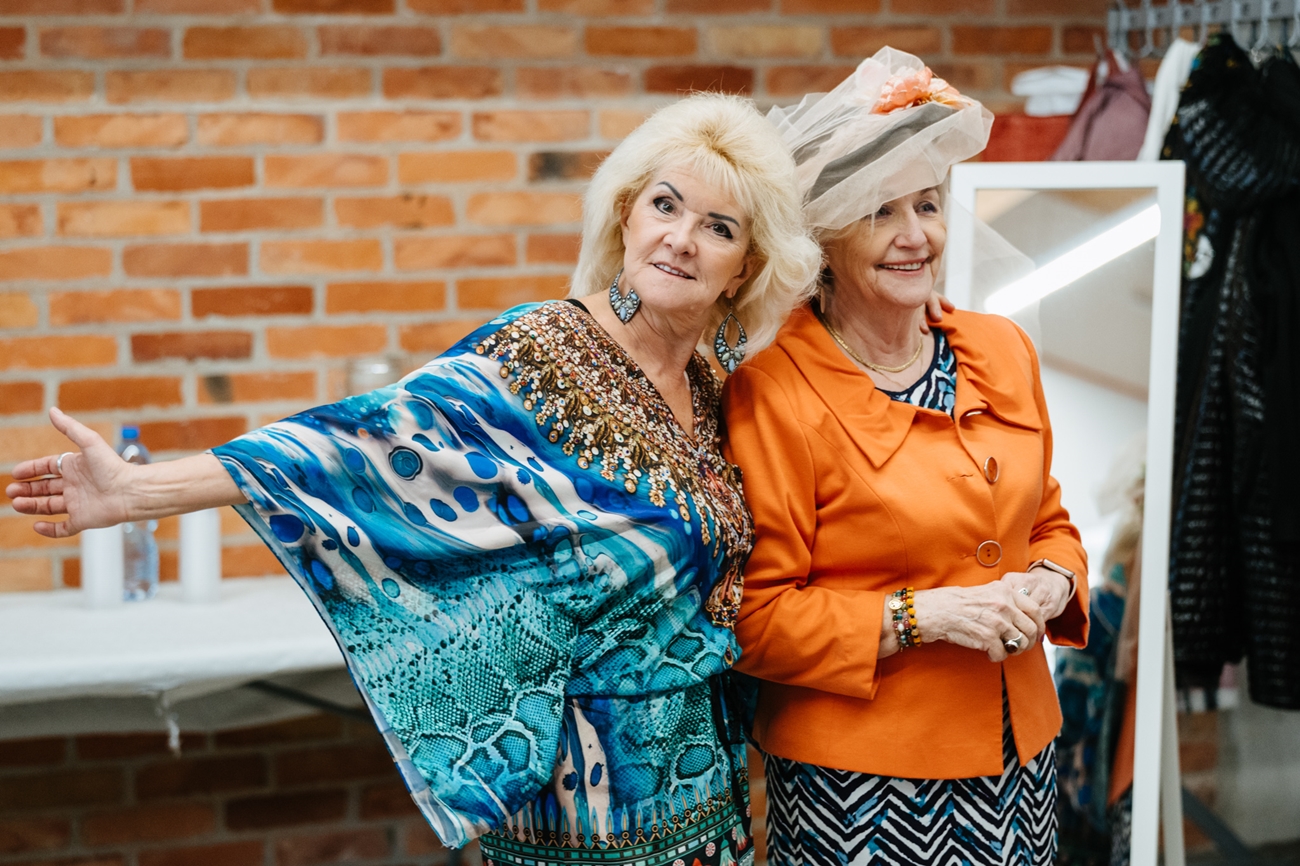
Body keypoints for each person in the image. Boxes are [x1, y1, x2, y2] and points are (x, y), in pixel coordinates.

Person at [7, 93, 823, 866]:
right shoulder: (539, 351)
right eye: (665, 205)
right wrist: (140, 493)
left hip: (709, 784)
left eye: (718, 227)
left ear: (743, 269)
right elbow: (354, 440)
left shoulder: (714, 390)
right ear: (625, 216)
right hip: (587, 799)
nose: (681, 238)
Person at [722, 47, 1090, 865]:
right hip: (862, 787)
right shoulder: (772, 388)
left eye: (927, 204)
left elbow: (1050, 521)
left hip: (1020, 759)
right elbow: (754, 618)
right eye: (880, 212)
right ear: (823, 237)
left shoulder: (1003, 349)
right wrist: (926, 617)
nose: (914, 235)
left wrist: (1053, 580)